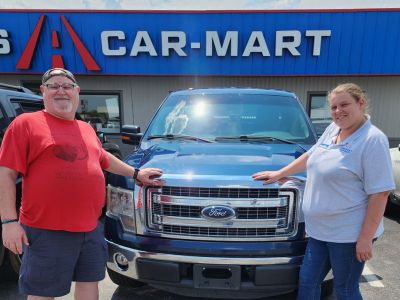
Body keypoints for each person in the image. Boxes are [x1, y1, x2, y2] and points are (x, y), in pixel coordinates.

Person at [0, 68, 164, 300]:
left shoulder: (85, 128)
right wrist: (8, 222)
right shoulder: (25, 124)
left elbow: (104, 158)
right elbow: (6, 174)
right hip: (46, 229)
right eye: (54, 86)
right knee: (42, 292)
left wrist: (136, 173)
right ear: (43, 91)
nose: (61, 91)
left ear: (77, 92)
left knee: (89, 283)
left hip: (89, 227)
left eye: (67, 86)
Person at [252, 83, 395, 300]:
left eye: (344, 104)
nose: (338, 111)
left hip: (348, 235)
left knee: (345, 289)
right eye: (334, 107)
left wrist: (365, 239)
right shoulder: (333, 129)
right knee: (308, 282)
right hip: (320, 232)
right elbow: (312, 154)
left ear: (361, 103)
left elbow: (380, 193)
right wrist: (280, 173)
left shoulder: (372, 140)